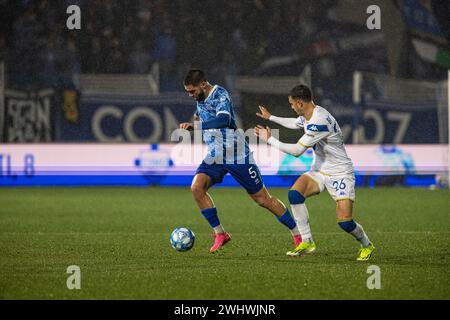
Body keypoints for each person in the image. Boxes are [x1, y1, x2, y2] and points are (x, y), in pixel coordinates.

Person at [180, 69, 302, 253]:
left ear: (203, 85)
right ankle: (220, 234)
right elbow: (204, 116)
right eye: (187, 92)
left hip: (237, 155)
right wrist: (198, 120)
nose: (190, 95)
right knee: (197, 187)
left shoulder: (220, 94)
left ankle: (298, 235)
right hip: (215, 155)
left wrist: (198, 126)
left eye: (192, 91)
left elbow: (224, 119)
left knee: (263, 199)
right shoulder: (200, 99)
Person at [254, 84, 375, 261]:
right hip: (319, 170)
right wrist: (270, 117)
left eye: (292, 104)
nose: (292, 107)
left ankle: (366, 244)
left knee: (345, 222)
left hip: (340, 173)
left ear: (300, 103)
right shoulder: (309, 113)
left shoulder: (319, 121)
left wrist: (269, 139)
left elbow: (297, 151)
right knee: (295, 194)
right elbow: (295, 123)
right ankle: (307, 241)